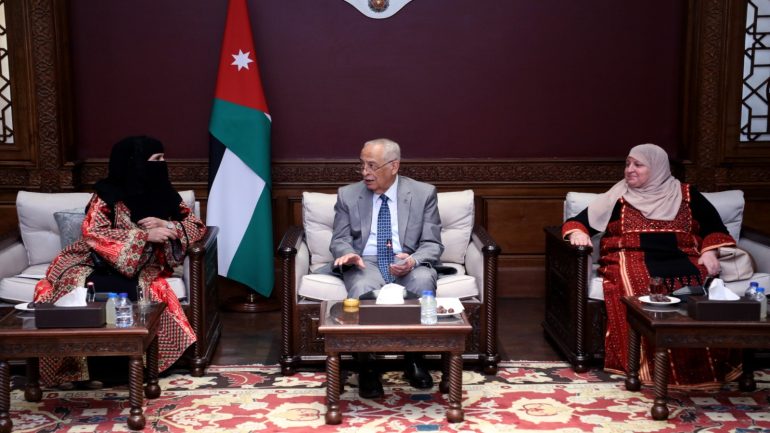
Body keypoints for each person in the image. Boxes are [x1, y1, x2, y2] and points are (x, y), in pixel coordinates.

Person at [562, 143, 740, 389]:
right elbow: (578, 222)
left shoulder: (687, 194)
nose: (629, 170)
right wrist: (577, 233)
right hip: (630, 256)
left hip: (683, 257)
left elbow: (715, 229)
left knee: (693, 293)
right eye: (628, 164)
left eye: (638, 165)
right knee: (641, 289)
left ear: (657, 168)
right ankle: (647, 367)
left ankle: (702, 369)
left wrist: (710, 251)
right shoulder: (617, 196)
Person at [33, 136, 205, 388]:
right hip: (93, 261)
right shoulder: (106, 195)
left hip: (143, 265)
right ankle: (79, 370)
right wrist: (144, 236)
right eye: (157, 159)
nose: (163, 163)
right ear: (136, 162)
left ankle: (133, 368)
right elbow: (94, 233)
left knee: (143, 291)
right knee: (76, 288)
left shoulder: (166, 194)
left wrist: (167, 225)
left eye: (163, 158)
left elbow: (196, 226)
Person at [330, 138, 443, 398]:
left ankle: (414, 359)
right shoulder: (348, 195)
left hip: (407, 260)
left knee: (423, 280)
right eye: (362, 165)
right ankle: (367, 366)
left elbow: (432, 243)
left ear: (394, 166)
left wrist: (413, 260)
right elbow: (339, 239)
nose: (365, 172)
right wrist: (347, 253)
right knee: (362, 285)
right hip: (365, 260)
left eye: (372, 166)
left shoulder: (423, 193)